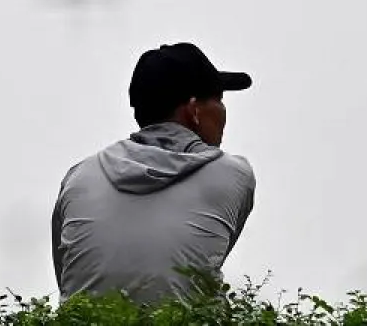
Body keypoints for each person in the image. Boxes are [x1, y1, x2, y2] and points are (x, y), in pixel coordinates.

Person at [50, 42, 257, 305]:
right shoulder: (233, 175)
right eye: (218, 100)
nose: (223, 112)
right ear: (194, 110)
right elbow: (200, 264)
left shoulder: (79, 177)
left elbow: (67, 274)